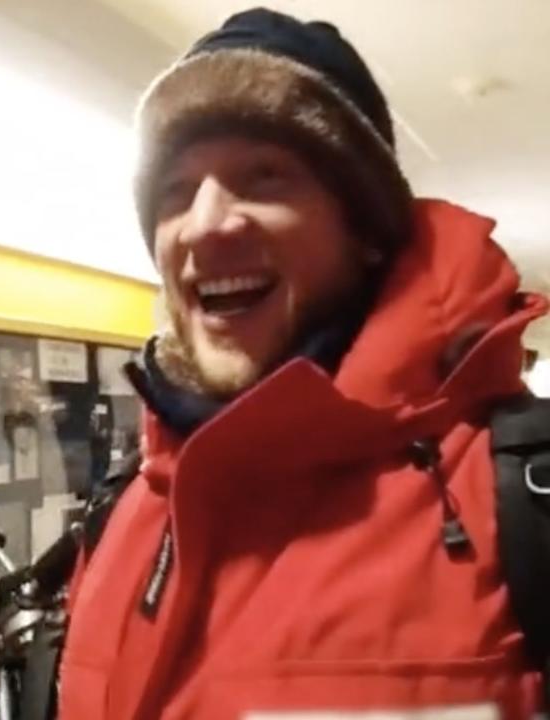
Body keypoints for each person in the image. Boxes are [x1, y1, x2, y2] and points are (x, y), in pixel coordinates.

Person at [58, 8, 547, 719]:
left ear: (367, 231)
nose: (205, 223)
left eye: (264, 178)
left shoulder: (520, 504)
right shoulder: (123, 512)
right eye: (175, 190)